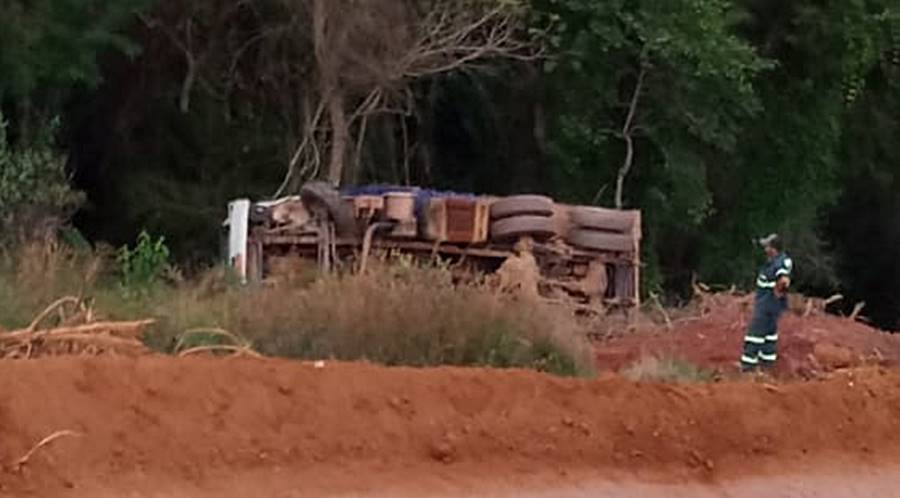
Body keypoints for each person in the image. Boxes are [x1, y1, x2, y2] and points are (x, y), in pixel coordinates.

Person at [741, 233, 793, 372]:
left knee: (755, 335)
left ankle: (748, 367)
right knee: (769, 336)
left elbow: (784, 280)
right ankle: (767, 366)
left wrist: (777, 292)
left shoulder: (779, 263)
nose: (765, 249)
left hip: (767, 305)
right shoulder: (778, 260)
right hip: (771, 305)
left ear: (773, 248)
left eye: (767, 246)